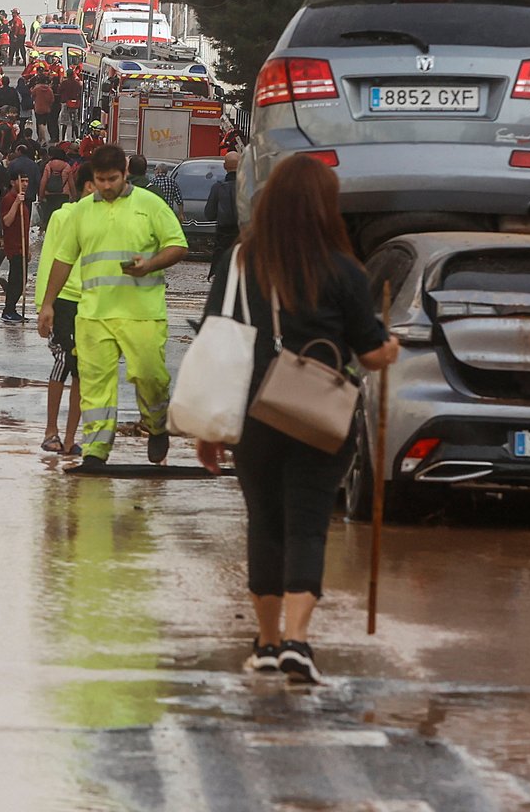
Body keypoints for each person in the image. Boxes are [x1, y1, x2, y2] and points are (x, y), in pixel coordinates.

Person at [194, 156, 399, 685]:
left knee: (264, 524)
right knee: (307, 526)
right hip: (319, 413)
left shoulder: (240, 262)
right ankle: (298, 642)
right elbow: (372, 354)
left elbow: (214, 337)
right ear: (325, 207)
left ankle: (264, 644)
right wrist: (390, 345)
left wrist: (208, 429)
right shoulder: (344, 270)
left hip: (252, 412)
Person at [37, 144, 189, 473]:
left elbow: (178, 245)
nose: (106, 186)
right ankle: (96, 449)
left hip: (142, 313)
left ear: (125, 173)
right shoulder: (80, 213)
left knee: (151, 376)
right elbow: (62, 260)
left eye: (113, 179)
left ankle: (157, 424)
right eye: (101, 179)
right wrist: (48, 303)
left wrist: (149, 264)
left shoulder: (149, 205)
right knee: (94, 385)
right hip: (93, 314)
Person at [35, 163, 97, 453]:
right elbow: (49, 258)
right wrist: (43, 304)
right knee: (63, 361)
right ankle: (51, 431)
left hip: (94, 304)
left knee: (83, 370)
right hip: (64, 300)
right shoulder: (63, 216)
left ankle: (72, 438)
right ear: (89, 186)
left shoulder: (107, 219)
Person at [0, 172, 31, 324]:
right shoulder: (9, 199)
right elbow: (7, 221)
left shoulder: (22, 199)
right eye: (22, 181)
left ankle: (13, 309)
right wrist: (16, 203)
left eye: (26, 181)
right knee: (16, 281)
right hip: (14, 248)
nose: (25, 184)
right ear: (13, 182)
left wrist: (28, 248)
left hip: (22, 248)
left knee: (21, 281)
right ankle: (8, 310)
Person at [205, 151, 242, 267]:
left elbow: (209, 214)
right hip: (243, 236)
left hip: (223, 238)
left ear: (225, 166)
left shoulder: (217, 188)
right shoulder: (247, 187)